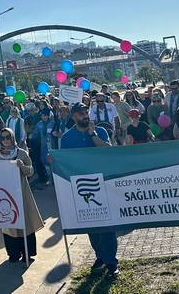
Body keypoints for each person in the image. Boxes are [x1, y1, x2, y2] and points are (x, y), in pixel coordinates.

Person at [59, 104, 118, 276]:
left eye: (86, 113)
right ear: (73, 117)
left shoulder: (100, 131)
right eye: (80, 114)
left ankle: (111, 262)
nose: (85, 116)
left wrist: (92, 134)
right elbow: (65, 162)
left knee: (107, 224)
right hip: (82, 186)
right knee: (91, 225)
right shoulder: (67, 137)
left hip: (102, 182)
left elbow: (109, 151)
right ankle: (100, 256)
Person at [0, 128, 44, 263]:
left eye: (8, 137)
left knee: (24, 223)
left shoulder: (21, 153)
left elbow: (31, 171)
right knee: (9, 224)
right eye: (2, 138)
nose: (5, 141)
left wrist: (22, 166)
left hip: (21, 193)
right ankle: (13, 253)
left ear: (12, 138)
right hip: (5, 196)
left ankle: (27, 253)